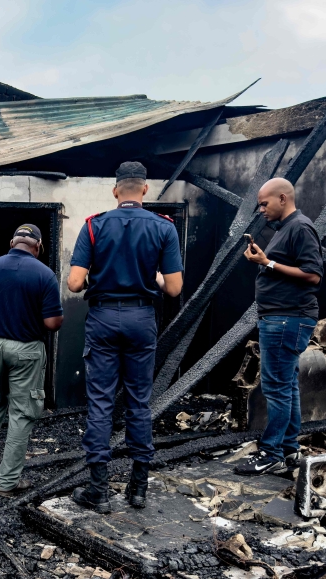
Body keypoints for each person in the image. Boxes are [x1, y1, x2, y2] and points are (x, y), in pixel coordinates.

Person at [67, 161, 183, 513]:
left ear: (116, 191)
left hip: (103, 317)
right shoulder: (164, 228)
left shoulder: (94, 226)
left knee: (101, 402)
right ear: (145, 189)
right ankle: (138, 489)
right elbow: (174, 288)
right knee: (138, 402)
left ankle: (99, 491)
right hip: (141, 319)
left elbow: (74, 283)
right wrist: (153, 281)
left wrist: (99, 280)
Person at [0, 224, 64, 497]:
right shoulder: (45, 275)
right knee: (21, 413)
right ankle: (8, 482)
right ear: (38, 247)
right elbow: (53, 323)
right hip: (27, 350)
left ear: (12, 242)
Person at [234, 177, 322, 475]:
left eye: (264, 203)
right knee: (286, 386)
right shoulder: (286, 228)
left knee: (276, 387)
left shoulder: (300, 227)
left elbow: (313, 275)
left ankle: (270, 452)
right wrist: (265, 260)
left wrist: (268, 263)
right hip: (282, 317)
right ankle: (289, 449)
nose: (261, 209)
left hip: (287, 319)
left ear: (283, 198)